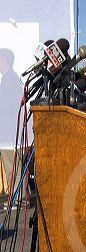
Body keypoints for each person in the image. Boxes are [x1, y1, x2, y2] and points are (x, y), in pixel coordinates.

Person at [0, 48, 23, 199]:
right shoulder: (10, 79)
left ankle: (17, 197)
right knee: (11, 166)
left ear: (5, 60)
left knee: (12, 165)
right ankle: (16, 196)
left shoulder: (10, 80)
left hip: (9, 131)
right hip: (8, 130)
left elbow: (8, 105)